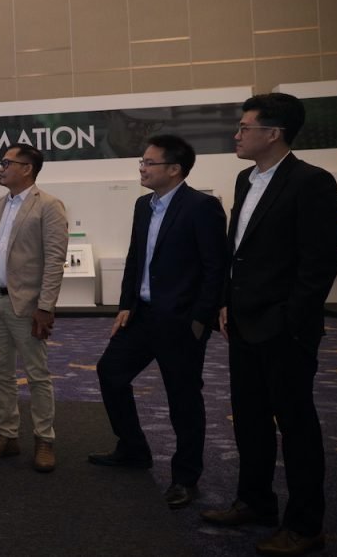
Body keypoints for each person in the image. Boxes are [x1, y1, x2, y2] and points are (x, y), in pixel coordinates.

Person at [201, 93, 337, 555]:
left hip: (284, 328)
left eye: (245, 127)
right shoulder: (246, 179)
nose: (237, 135)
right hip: (242, 323)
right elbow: (238, 250)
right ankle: (255, 501)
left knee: (296, 427)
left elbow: (317, 266)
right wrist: (226, 302)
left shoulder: (312, 182)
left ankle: (305, 525)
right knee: (250, 421)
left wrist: (289, 320)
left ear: (274, 133)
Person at [87, 135, 227, 510]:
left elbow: (215, 268)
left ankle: (186, 478)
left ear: (175, 169)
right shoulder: (143, 206)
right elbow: (136, 258)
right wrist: (125, 304)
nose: (142, 168)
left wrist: (199, 321)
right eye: (142, 162)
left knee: (183, 399)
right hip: (142, 315)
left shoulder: (202, 207)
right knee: (110, 372)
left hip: (181, 322)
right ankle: (133, 449)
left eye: (149, 163)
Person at [0, 143, 68, 472]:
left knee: (37, 374)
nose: (1, 168)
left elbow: (54, 261)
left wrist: (46, 306)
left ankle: (44, 439)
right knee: (1, 372)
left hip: (27, 305)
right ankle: (7, 435)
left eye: (6, 162)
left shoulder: (49, 206)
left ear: (27, 168)